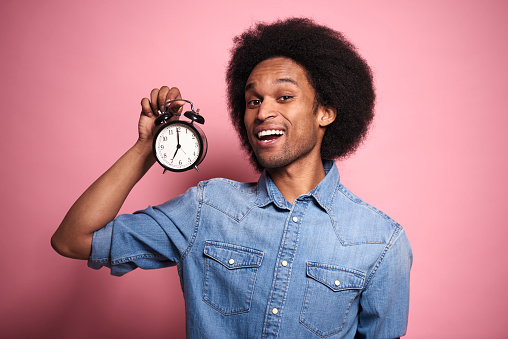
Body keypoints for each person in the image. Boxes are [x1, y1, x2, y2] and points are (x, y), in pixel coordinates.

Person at [52, 18, 412, 339]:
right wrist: (147, 147)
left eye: (284, 97)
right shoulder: (206, 208)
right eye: (252, 101)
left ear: (326, 112)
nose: (263, 112)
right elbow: (73, 240)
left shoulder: (381, 243)